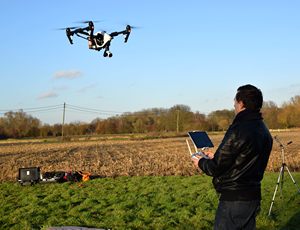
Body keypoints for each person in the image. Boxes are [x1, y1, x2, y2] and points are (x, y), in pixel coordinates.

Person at [192, 84, 273, 230]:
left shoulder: (238, 129)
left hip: (233, 199)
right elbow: (243, 158)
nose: (234, 105)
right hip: (253, 196)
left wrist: (201, 162)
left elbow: (215, 168)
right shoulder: (264, 130)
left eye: (235, 101)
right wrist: (215, 156)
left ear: (241, 103)